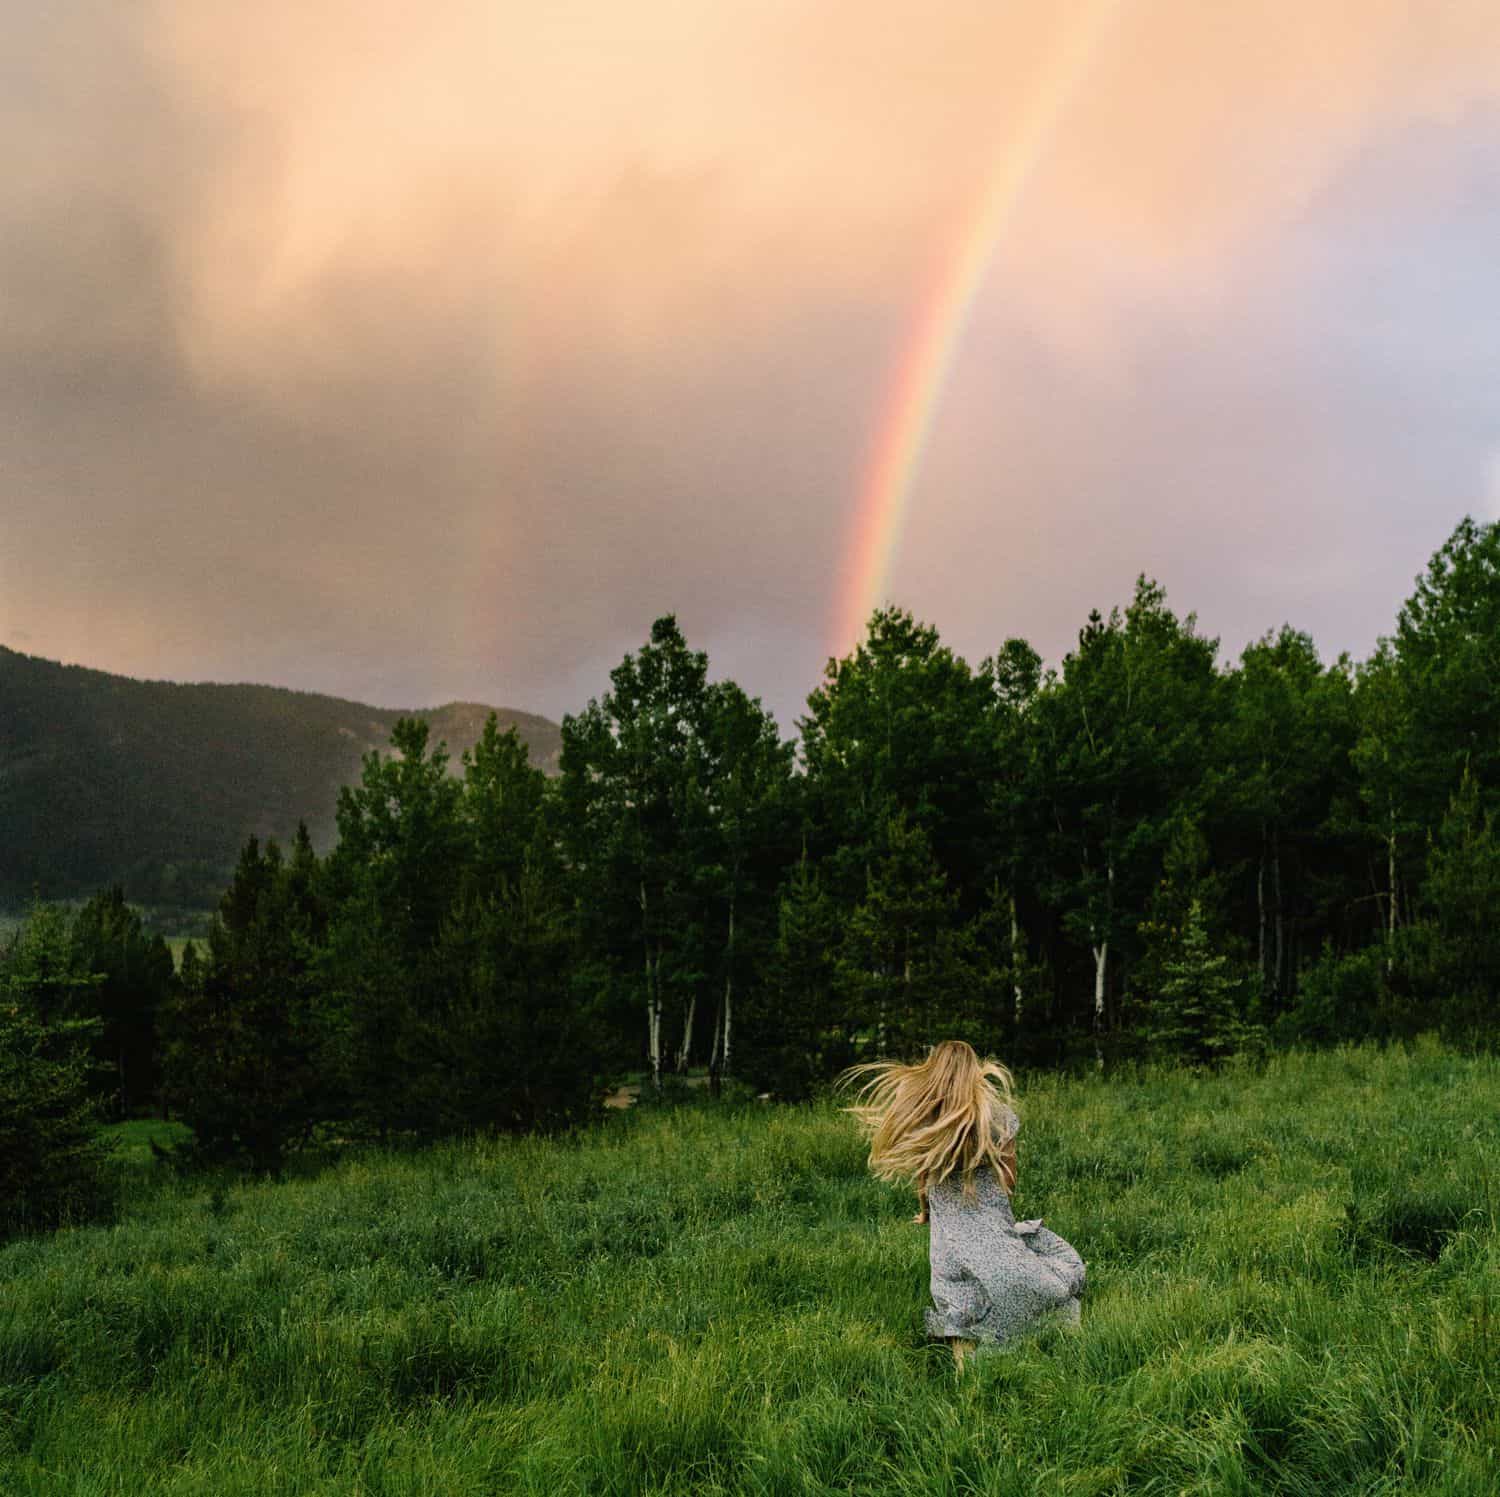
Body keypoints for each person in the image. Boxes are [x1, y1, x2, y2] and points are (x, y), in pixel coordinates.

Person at [840, 1039, 1085, 1368]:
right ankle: (1035, 1347)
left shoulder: (926, 1124)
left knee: (958, 1295)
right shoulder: (998, 1119)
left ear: (933, 1070)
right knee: (1034, 1280)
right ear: (974, 1071)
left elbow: (923, 1182)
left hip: (949, 1242)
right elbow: (1008, 1181)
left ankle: (966, 1378)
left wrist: (927, 1213)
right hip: (989, 1230)